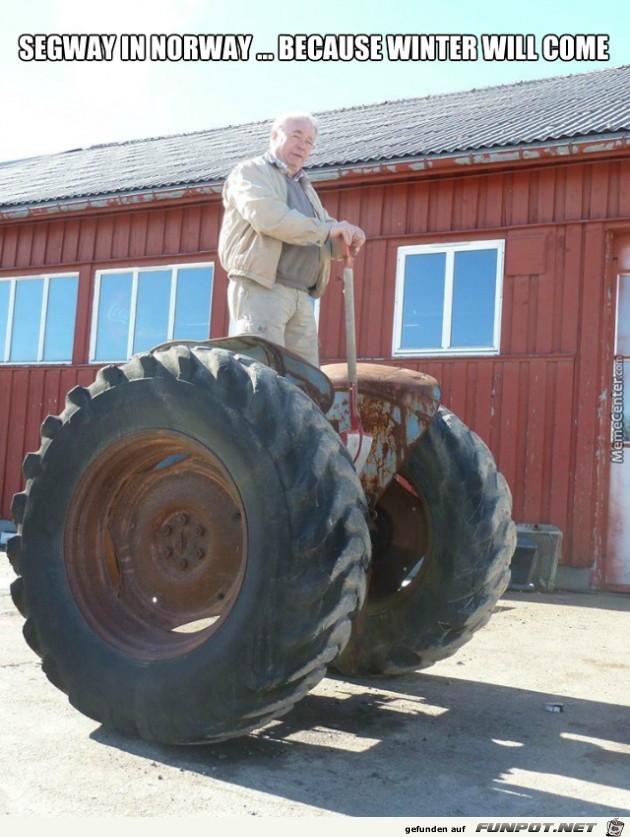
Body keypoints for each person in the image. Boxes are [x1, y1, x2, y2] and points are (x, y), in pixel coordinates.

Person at [218, 111, 366, 367]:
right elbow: (269, 217)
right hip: (263, 288)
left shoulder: (305, 188)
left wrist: (345, 240)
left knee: (306, 382)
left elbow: (322, 232)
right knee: (263, 376)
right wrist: (327, 230)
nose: (302, 145)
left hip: (302, 296)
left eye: (309, 141)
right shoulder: (250, 173)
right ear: (275, 136)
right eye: (296, 136)